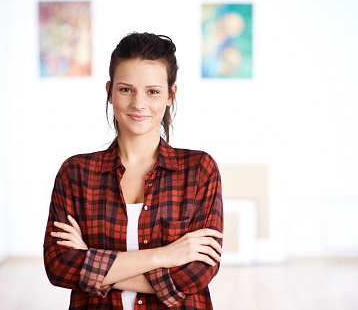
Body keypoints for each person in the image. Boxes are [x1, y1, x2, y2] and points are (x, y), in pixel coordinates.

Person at [43, 32, 224, 309]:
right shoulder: (76, 173)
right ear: (109, 93)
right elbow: (58, 265)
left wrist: (90, 261)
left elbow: (196, 273)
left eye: (152, 91)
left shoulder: (199, 170)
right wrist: (164, 256)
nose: (139, 103)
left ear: (170, 95)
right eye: (126, 89)